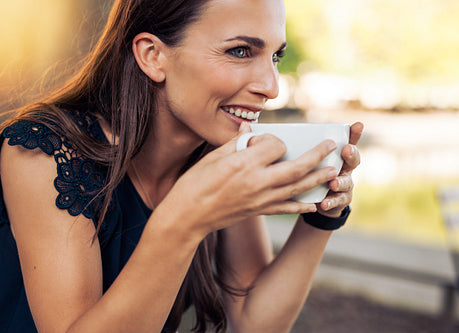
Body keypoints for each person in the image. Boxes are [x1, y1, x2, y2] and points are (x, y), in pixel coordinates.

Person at [0, 0, 363, 332]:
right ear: (153, 55)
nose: (271, 87)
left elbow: (255, 322)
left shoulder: (224, 155)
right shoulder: (43, 153)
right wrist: (186, 220)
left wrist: (322, 216)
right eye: (239, 51)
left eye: (275, 57)